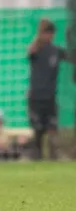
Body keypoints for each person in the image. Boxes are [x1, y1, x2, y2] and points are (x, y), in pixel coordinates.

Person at [26, 18, 71, 160]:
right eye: (46, 33)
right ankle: (36, 159)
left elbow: (71, 57)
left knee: (52, 130)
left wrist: (70, 38)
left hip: (50, 97)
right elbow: (30, 53)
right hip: (35, 97)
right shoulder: (35, 49)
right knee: (38, 131)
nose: (49, 36)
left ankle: (53, 158)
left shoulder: (56, 51)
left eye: (51, 33)